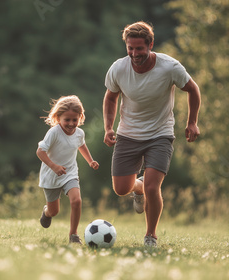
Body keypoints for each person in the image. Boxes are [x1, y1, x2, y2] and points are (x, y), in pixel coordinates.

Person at [103, 21, 201, 247]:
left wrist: (192, 122)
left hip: (160, 134)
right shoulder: (118, 68)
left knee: (152, 186)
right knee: (121, 189)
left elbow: (193, 89)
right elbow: (110, 97)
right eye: (130, 48)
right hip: (128, 134)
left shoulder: (170, 67)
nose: (135, 54)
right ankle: (136, 188)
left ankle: (150, 236)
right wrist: (109, 127)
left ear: (151, 45)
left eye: (140, 48)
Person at [37, 95, 99, 245]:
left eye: (75, 120)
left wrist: (90, 161)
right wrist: (54, 166)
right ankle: (46, 212)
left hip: (70, 173)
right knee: (54, 212)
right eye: (67, 120)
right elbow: (40, 151)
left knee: (76, 201)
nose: (71, 124)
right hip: (51, 175)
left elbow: (81, 145)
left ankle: (73, 235)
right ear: (58, 118)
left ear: (80, 117)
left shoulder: (79, 133)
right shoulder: (54, 133)